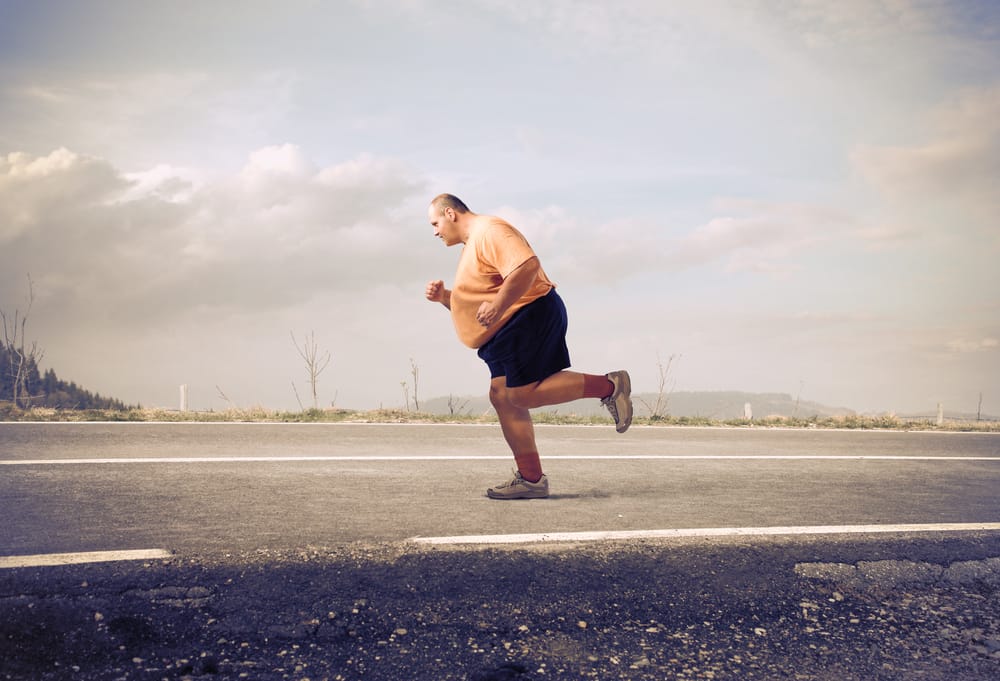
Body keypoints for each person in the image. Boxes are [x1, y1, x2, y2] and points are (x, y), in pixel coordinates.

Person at [424, 193, 632, 500]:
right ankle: (532, 479)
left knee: (519, 395)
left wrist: (497, 304)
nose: (435, 231)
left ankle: (610, 386)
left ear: (451, 214)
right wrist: (446, 299)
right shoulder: (473, 245)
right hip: (505, 327)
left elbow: (527, 267)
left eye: (435, 222)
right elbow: (483, 297)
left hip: (528, 315)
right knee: (502, 397)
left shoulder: (490, 231)